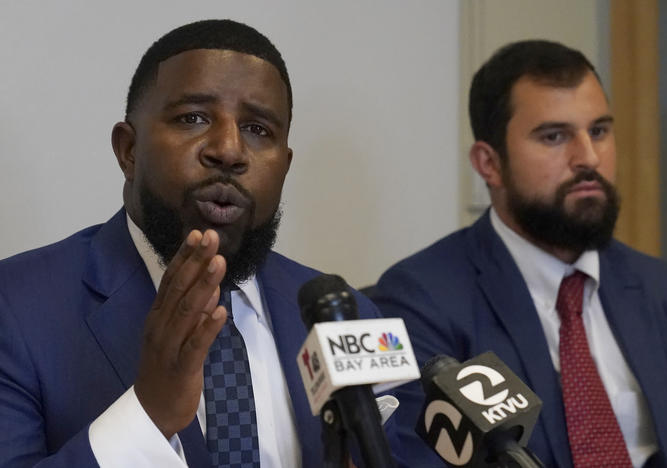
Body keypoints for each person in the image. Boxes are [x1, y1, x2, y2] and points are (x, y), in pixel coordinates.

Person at [0, 19, 384, 467]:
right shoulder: (16, 308)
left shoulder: (346, 317)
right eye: (193, 118)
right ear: (128, 150)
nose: (228, 150)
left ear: (285, 165)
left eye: (259, 129)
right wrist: (148, 416)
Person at [372, 40, 667, 468]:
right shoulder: (420, 300)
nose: (588, 157)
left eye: (599, 131)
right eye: (554, 136)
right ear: (489, 163)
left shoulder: (662, 289)